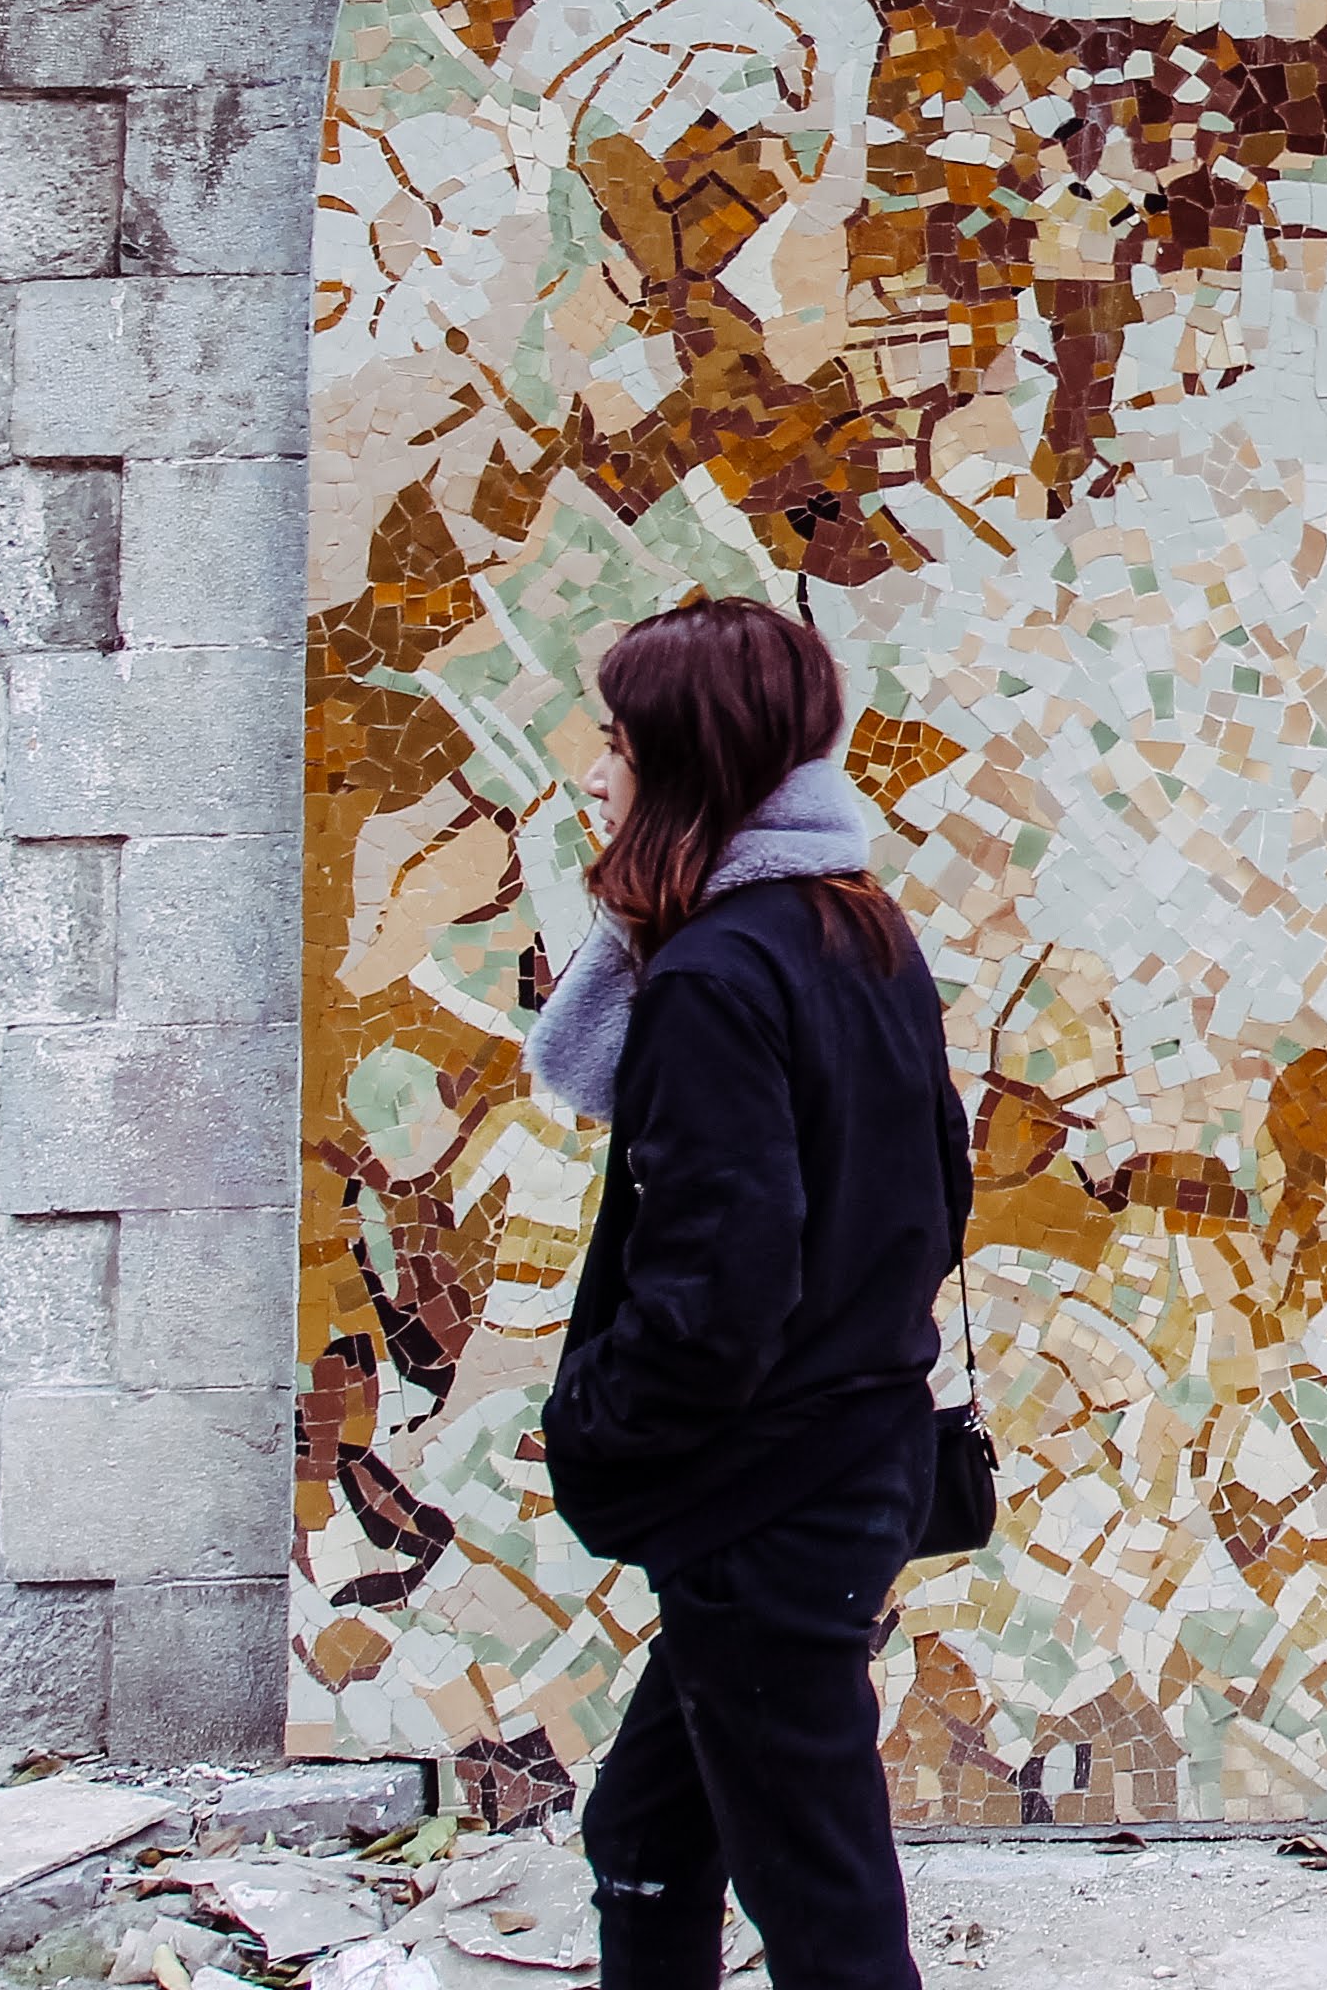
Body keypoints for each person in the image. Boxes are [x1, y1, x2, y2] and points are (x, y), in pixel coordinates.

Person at [530, 599, 970, 1990]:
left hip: (767, 1498)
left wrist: (594, 1420)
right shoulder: (860, 933)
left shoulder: (713, 978)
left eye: (618, 743)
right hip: (853, 1463)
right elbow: (941, 1191)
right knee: (645, 1833)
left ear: (686, 762)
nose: (596, 773)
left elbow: (719, 1286)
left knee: (828, 1921)